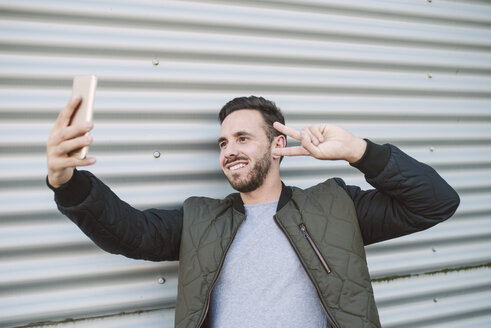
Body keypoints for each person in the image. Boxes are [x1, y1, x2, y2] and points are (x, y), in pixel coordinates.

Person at [46, 96, 460, 328]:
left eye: (243, 138)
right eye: (223, 143)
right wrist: (67, 181)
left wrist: (358, 151)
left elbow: (436, 203)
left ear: (278, 145)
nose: (230, 151)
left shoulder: (336, 206)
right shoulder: (200, 219)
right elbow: (130, 233)